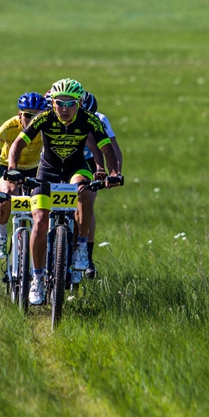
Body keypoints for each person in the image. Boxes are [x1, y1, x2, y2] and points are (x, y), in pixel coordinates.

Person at [7, 78, 121, 305]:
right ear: (53, 103)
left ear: (79, 103)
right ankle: (37, 279)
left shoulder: (89, 120)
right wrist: (12, 168)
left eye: (71, 103)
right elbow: (17, 144)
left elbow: (106, 148)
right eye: (60, 103)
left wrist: (114, 173)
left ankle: (80, 245)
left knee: (85, 191)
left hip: (76, 168)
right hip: (47, 172)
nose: (66, 109)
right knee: (39, 221)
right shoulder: (43, 118)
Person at [0, 92, 48, 259]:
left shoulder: (44, 128)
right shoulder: (10, 127)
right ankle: (1, 235)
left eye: (38, 116)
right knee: (7, 194)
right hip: (9, 169)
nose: (33, 120)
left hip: (35, 170)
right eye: (28, 115)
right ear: (19, 114)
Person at [78, 91, 123, 280]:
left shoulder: (100, 119)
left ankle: (86, 256)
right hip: (63, 160)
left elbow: (113, 149)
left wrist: (115, 174)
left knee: (87, 200)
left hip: (89, 162)